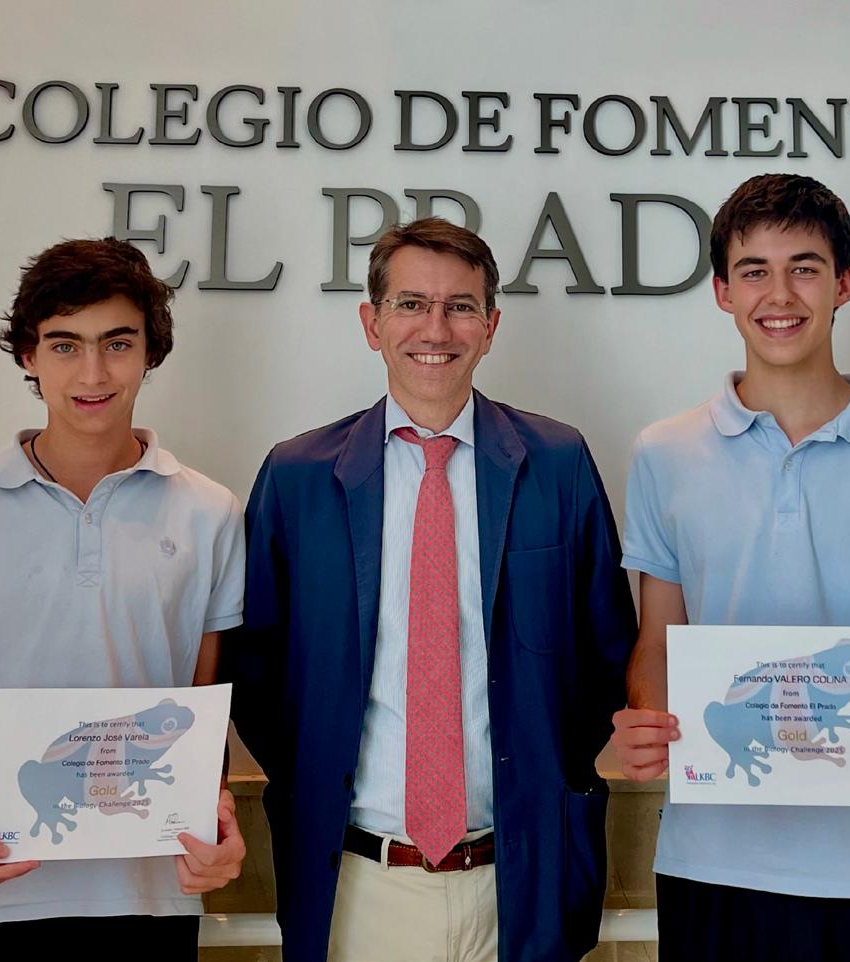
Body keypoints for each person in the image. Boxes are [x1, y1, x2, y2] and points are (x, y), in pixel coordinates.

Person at [227, 217, 636, 962]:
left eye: (461, 306)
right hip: (355, 885)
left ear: (491, 326)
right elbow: (256, 674)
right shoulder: (296, 477)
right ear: (372, 323)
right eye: (411, 304)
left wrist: (546, 775)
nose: (435, 328)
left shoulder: (558, 462)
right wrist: (318, 774)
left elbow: (606, 652)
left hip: (520, 881)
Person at [610, 174, 850, 962]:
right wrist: (647, 717)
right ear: (724, 291)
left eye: (805, 267)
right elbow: (658, 642)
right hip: (714, 856)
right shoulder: (664, 452)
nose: (780, 294)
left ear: (844, 283)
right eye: (754, 270)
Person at [0, 238, 247, 953]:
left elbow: (204, 703)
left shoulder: (211, 512)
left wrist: (219, 819)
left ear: (149, 353)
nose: (92, 373)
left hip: (151, 889)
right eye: (64, 345)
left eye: (117, 343)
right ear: (28, 355)